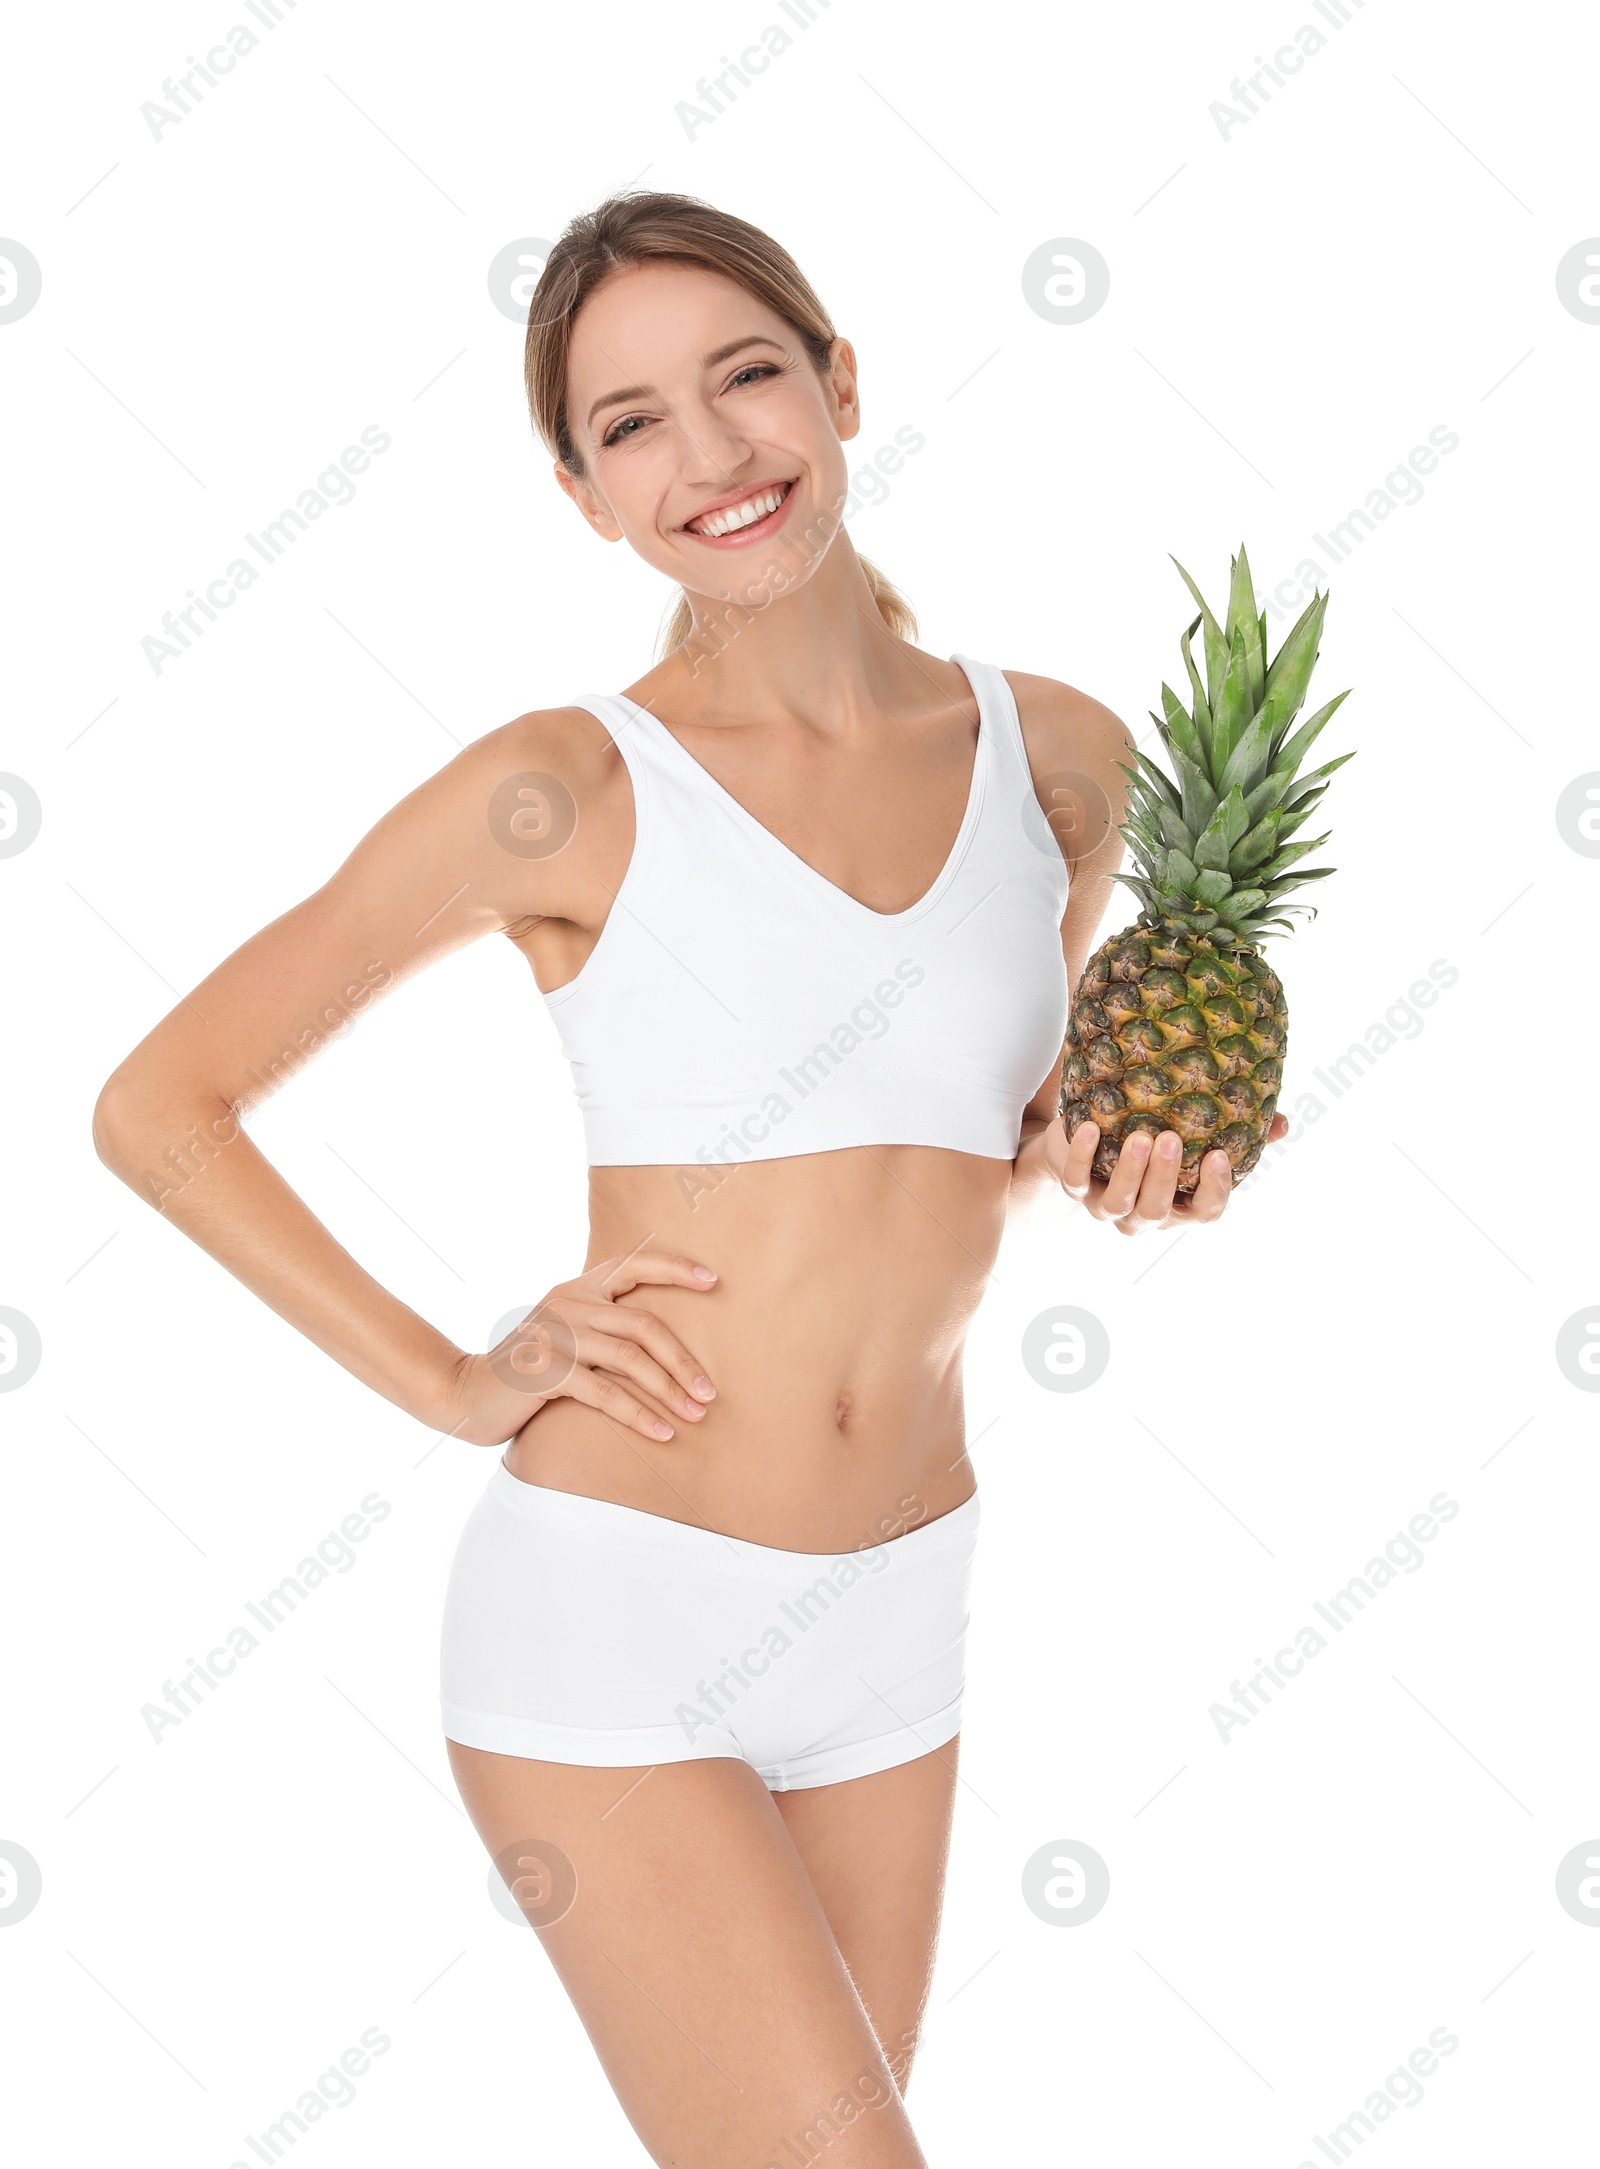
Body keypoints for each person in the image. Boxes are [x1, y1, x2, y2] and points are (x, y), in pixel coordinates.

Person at [93, 189, 1284, 2168]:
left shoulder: (1057, 757)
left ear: (834, 383)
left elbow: (980, 1134)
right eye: (631, 422)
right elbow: (163, 1105)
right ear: (580, 495)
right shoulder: (561, 786)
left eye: (744, 377)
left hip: (903, 1605)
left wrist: (1114, 1159)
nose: (712, 454)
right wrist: (457, 1381)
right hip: (618, 1617)